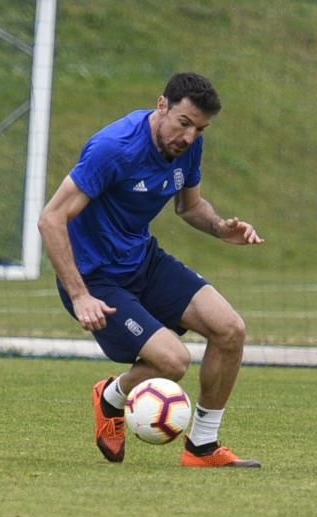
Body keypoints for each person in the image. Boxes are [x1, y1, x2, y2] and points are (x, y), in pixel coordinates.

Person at [38, 72, 265, 468]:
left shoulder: (188, 146)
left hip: (143, 260)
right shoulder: (114, 148)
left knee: (230, 329)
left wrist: (219, 227)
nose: (190, 137)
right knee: (173, 362)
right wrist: (79, 295)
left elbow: (189, 206)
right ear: (162, 106)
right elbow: (51, 219)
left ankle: (203, 447)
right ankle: (112, 397)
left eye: (200, 128)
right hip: (97, 277)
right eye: (183, 123)